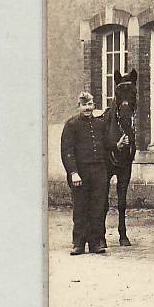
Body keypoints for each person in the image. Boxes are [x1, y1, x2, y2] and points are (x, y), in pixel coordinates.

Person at [60, 92, 110, 255]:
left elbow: (107, 145)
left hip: (99, 171)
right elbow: (67, 151)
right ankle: (79, 243)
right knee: (81, 207)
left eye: (90, 104)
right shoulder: (71, 125)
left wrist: (118, 144)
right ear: (79, 106)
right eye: (84, 105)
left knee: (97, 207)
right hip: (80, 172)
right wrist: (73, 172)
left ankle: (95, 243)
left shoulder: (100, 124)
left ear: (94, 106)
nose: (88, 108)